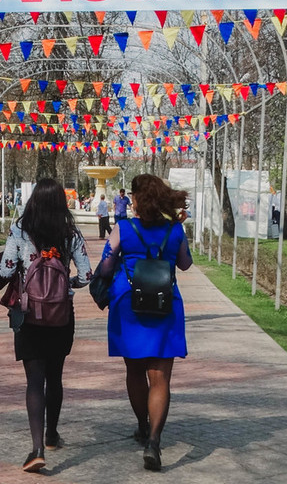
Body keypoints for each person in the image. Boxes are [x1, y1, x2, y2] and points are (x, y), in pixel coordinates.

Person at [95, 173, 193, 471]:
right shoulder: (174, 230)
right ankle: (153, 440)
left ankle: (141, 423)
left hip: (129, 304)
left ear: (136, 199)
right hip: (165, 304)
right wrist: (176, 232)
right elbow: (185, 264)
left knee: (135, 371)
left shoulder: (123, 228)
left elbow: (106, 264)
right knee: (160, 377)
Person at [0, 178, 92, 473]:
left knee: (34, 381)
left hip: (29, 315)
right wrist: (68, 285)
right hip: (61, 314)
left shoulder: (20, 230)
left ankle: (36, 447)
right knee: (56, 376)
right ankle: (52, 435)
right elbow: (87, 275)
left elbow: (4, 269)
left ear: (33, 201)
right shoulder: (71, 234)